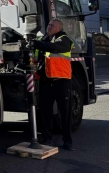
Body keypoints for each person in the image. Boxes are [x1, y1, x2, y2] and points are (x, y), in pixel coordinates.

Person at [29, 18, 75, 151]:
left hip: (61, 81)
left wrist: (36, 44)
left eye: (52, 25)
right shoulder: (44, 40)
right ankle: (47, 139)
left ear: (59, 28)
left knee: (65, 113)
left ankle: (67, 141)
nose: (49, 27)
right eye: (48, 24)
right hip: (45, 81)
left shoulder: (64, 40)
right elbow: (38, 58)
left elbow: (54, 48)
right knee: (45, 112)